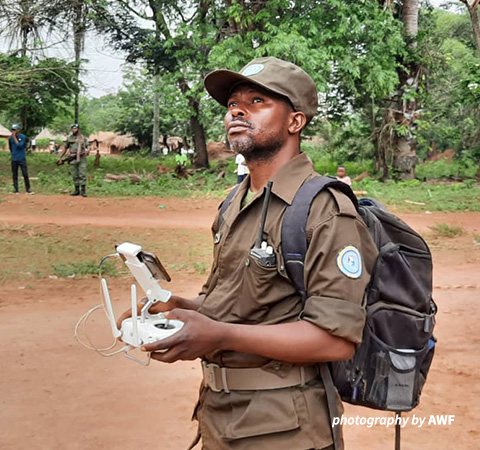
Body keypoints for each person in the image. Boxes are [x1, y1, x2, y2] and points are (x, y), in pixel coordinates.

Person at [117, 57, 378, 450]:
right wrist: (179, 306)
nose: (237, 110)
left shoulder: (324, 210)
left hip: (285, 429)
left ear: (295, 122)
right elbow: (234, 301)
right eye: (233, 103)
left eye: (257, 101)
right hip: (220, 417)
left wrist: (219, 334)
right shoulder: (235, 202)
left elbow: (334, 340)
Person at [59, 123, 89, 197]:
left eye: (75, 128)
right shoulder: (69, 138)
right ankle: (76, 190)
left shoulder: (83, 138)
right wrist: (60, 157)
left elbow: (88, 146)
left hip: (81, 157)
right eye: (72, 128)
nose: (74, 130)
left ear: (78, 129)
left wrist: (88, 150)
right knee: (74, 174)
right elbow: (65, 148)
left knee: (82, 174)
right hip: (72, 157)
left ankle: (83, 191)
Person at [8, 124, 34, 194]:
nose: (13, 131)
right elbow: (10, 147)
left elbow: (20, 146)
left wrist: (14, 138)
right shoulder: (10, 139)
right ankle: (16, 190)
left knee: (25, 174)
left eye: (14, 130)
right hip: (14, 158)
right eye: (12, 130)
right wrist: (13, 153)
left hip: (21, 158)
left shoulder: (23, 137)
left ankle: (28, 189)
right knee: (14, 174)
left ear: (18, 130)